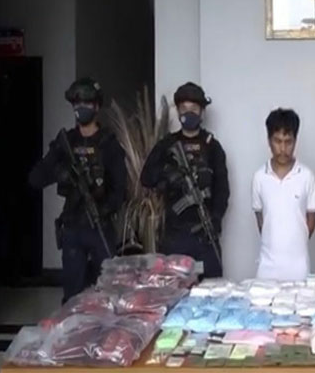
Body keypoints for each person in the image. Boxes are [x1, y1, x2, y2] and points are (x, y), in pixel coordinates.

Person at [29, 77, 127, 303]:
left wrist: (104, 208)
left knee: (109, 292)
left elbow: (121, 189)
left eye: (87, 103)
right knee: (73, 295)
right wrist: (61, 173)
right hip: (73, 227)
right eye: (77, 103)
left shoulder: (108, 144)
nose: (82, 108)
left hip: (100, 226)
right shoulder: (66, 142)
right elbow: (36, 178)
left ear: (97, 106)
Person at [141, 82, 229, 278]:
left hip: (205, 235)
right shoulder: (167, 145)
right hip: (175, 235)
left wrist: (216, 218)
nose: (189, 113)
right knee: (173, 287)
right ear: (178, 111)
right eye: (184, 108)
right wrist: (169, 176)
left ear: (202, 112)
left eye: (194, 108)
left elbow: (222, 190)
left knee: (211, 288)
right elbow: (146, 178)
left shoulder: (212, 147)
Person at [252, 109, 315, 280]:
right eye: (277, 141)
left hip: (299, 268)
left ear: (295, 141)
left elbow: (312, 217)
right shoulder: (259, 177)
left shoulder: (306, 176)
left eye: (288, 142)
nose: (283, 148)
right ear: (269, 141)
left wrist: (297, 240)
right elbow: (260, 219)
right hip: (266, 268)